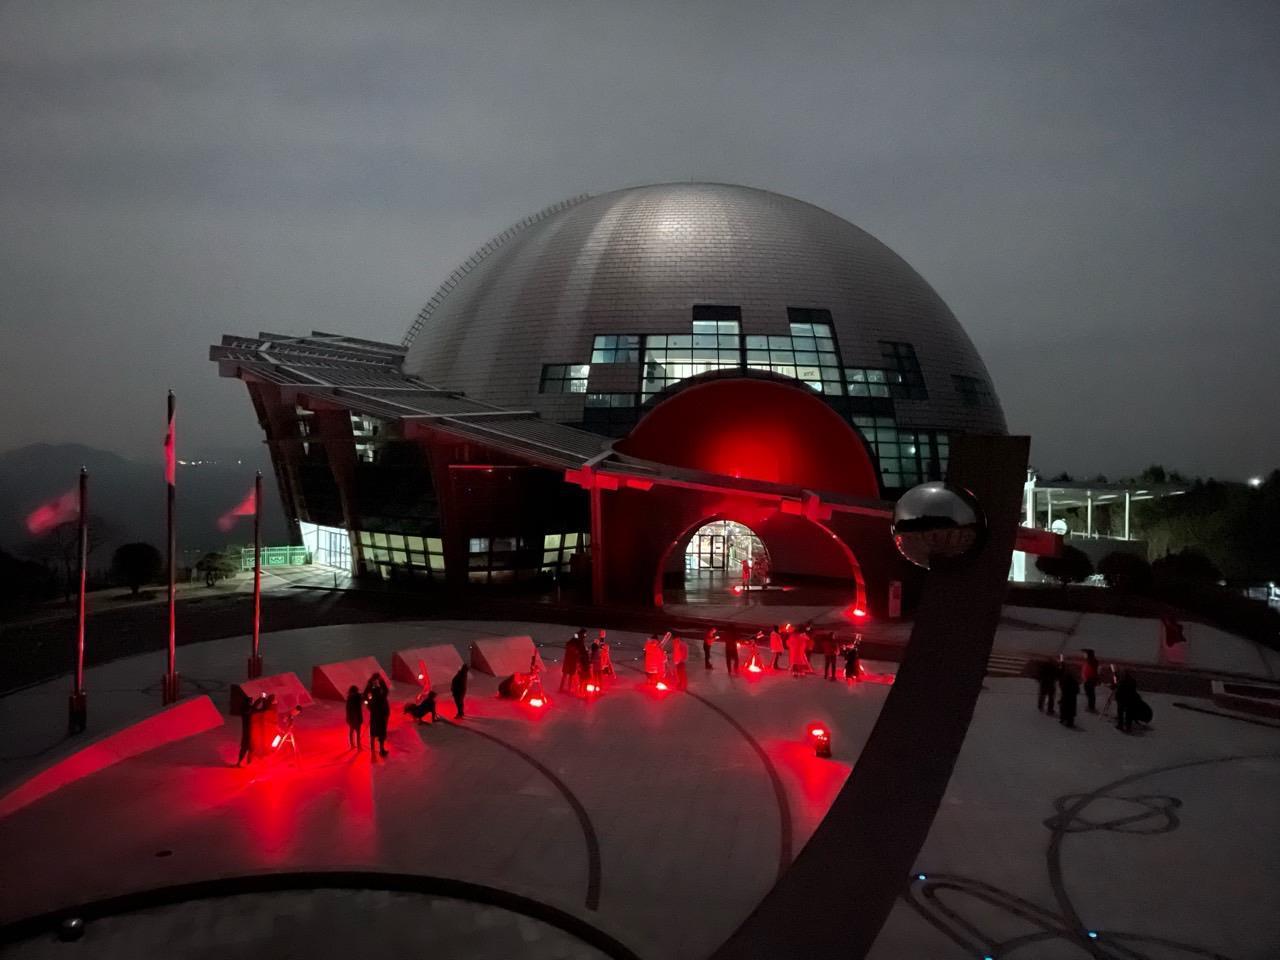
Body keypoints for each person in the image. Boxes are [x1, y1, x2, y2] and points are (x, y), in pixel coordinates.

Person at [237, 692, 273, 766]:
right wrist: (263, 699)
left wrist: (261, 698)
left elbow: (254, 707)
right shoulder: (250, 710)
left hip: (246, 733)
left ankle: (241, 762)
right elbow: (262, 709)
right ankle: (247, 763)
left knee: (246, 748)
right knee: (251, 748)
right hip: (250, 733)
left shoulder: (245, 709)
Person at [364, 674, 390, 758]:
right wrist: (381, 681)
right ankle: (381, 750)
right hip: (382, 715)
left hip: (374, 716)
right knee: (382, 732)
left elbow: (364, 695)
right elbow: (386, 690)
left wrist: (368, 704)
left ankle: (373, 754)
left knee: (373, 733)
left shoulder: (373, 699)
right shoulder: (382, 697)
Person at [345, 685, 364, 749]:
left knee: (351, 731)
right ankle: (358, 746)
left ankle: (352, 745)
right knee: (358, 732)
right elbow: (360, 704)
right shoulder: (357, 697)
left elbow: (347, 709)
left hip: (351, 717)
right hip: (357, 717)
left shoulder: (349, 698)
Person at [1081, 649, 1100, 713]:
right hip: (1088, 680)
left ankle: (1091, 707)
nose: (1084, 655)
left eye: (1085, 654)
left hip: (1090, 680)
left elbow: (1094, 670)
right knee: (1089, 694)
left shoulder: (1091, 661)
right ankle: (1090, 706)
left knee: (1090, 694)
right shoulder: (1089, 661)